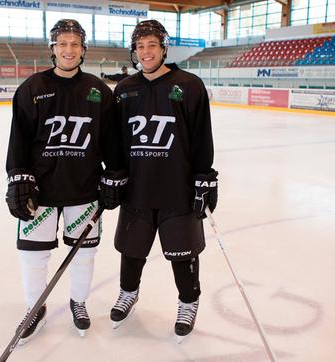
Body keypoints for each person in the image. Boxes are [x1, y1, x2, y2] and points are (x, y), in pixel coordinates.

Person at [5, 19, 123, 345]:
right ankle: (35, 308)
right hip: (39, 192)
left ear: (83, 49)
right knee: (32, 254)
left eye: (74, 44)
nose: (68, 50)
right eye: (62, 44)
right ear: (52, 48)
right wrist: (18, 179)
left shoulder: (98, 91)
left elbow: (111, 143)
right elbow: (18, 141)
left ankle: (79, 302)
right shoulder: (31, 88)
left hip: (84, 189)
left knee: (84, 254)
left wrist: (113, 174)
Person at [109, 20, 218, 342]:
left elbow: (201, 137)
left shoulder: (189, 85)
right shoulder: (125, 89)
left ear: (164, 48)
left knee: (183, 253)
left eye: (152, 46)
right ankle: (128, 293)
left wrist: (204, 177)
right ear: (134, 51)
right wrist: (114, 174)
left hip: (177, 188)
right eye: (140, 47)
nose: (146, 52)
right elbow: (116, 141)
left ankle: (188, 301)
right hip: (137, 188)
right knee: (131, 250)